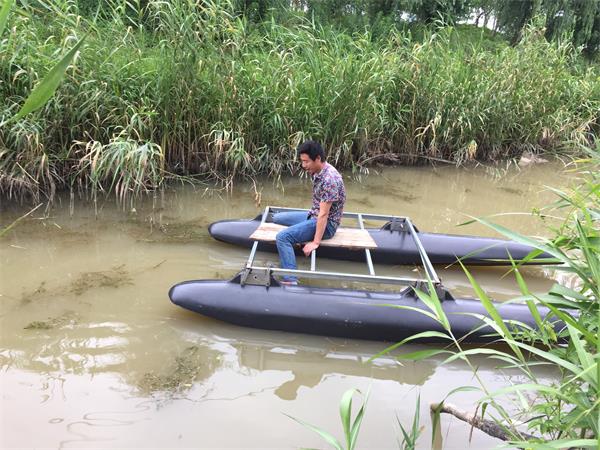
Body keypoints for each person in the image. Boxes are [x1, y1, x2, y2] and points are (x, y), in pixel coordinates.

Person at [273, 140, 346, 285]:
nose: (303, 165)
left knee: (282, 237)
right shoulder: (318, 171)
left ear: (318, 158)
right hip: (314, 215)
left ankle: (290, 279)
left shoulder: (329, 180)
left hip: (327, 224)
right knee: (276, 217)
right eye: (302, 161)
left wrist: (315, 242)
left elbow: (324, 214)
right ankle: (298, 237)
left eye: (306, 162)